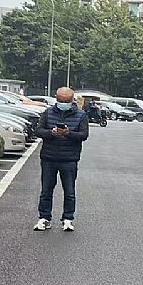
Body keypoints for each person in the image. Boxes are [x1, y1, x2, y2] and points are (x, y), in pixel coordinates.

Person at [33, 86, 89, 232]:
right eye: (60, 100)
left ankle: (68, 219)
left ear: (72, 100)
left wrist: (68, 133)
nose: (63, 103)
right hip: (49, 158)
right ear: (56, 99)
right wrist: (51, 133)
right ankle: (44, 218)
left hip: (69, 159)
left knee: (69, 192)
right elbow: (38, 131)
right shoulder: (48, 112)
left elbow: (84, 135)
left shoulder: (81, 115)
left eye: (66, 101)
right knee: (46, 191)